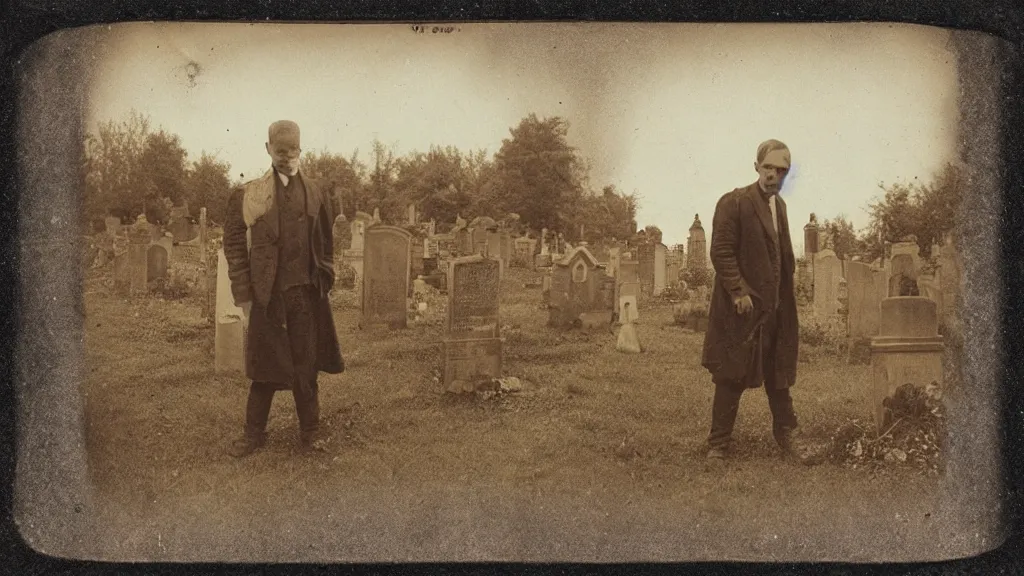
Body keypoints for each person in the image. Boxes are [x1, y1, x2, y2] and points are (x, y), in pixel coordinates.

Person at [223, 120, 344, 457]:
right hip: (268, 296)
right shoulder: (249, 195)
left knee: (306, 366)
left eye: (292, 152)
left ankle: (311, 433)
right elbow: (233, 244)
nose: (287, 158)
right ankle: (253, 435)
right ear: (267, 150)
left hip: (305, 295)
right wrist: (244, 293)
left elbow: (326, 241)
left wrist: (326, 275)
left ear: (300, 151)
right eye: (280, 152)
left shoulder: (316, 192)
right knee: (264, 367)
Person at [700, 139, 807, 465]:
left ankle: (787, 434)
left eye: (782, 170)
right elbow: (721, 250)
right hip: (742, 308)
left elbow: (781, 256)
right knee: (731, 375)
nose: (774, 175)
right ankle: (718, 445)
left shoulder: (781, 208)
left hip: (775, 307)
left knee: (779, 373)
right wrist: (738, 291)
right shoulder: (734, 202)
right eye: (768, 167)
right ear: (756, 166)